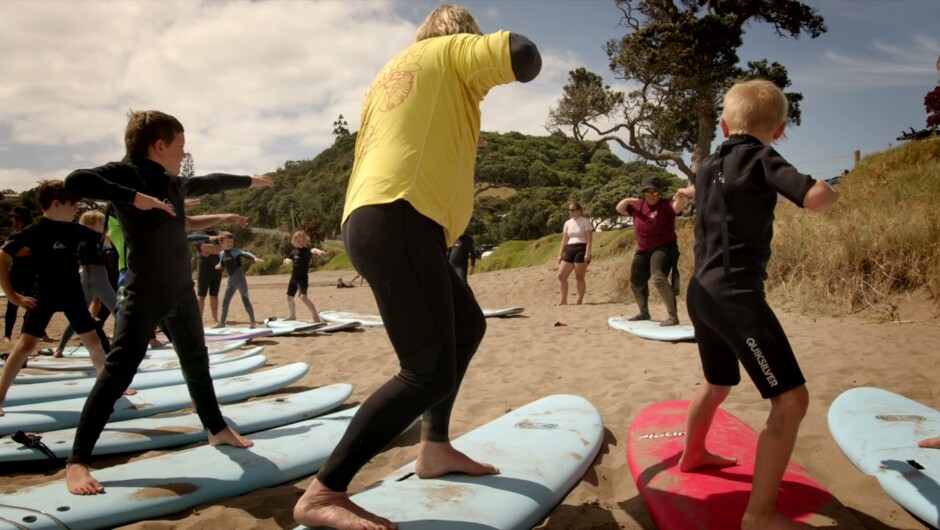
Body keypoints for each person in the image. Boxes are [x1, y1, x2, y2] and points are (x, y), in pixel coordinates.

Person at [292, 5, 541, 529]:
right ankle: (324, 493)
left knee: (467, 326)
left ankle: (435, 447)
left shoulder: (395, 74)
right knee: (426, 370)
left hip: (390, 220)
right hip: (399, 217)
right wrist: (481, 55)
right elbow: (523, 55)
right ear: (461, 36)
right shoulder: (448, 52)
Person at [62, 109, 274, 495]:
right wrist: (134, 198)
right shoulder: (129, 173)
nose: (182, 153)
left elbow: (205, 182)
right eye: (179, 146)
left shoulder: (173, 183)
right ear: (158, 146)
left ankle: (215, 428)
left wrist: (247, 180)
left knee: (197, 361)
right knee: (118, 372)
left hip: (180, 290)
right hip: (144, 293)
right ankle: (77, 461)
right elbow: (76, 180)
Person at [678, 79, 839, 530]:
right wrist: (835, 190)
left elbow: (696, 193)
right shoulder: (763, 156)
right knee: (791, 401)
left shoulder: (709, 165)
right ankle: (761, 514)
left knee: (716, 383)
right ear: (781, 130)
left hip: (700, 293)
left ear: (725, 125)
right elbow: (815, 197)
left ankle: (692, 455)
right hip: (735, 295)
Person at [0, 180, 109, 415]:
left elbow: (105, 238)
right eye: (74, 205)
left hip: (73, 294)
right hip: (44, 295)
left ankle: (107, 391)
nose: (77, 209)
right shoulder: (34, 231)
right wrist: (12, 295)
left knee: (93, 342)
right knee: (25, 346)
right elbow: (2, 256)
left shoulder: (74, 230)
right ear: (57, 203)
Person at [615, 176, 692, 326]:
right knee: (636, 281)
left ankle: (672, 316)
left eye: (655, 192)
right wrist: (626, 201)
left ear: (660, 193)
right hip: (643, 249)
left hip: (665, 247)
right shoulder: (638, 206)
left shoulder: (665, 205)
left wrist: (681, 197)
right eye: (647, 193)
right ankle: (644, 313)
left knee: (658, 278)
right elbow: (620, 209)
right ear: (643, 193)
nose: (651, 196)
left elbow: (677, 207)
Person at [53, 209, 119, 357]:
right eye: (102, 224)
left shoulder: (77, 240)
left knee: (78, 315)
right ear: (92, 225)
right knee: (119, 312)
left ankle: (60, 349)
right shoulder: (97, 240)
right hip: (99, 279)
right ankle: (121, 343)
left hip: (84, 278)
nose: (105, 227)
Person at [3, 206, 39, 348]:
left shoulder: (33, 233)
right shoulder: (14, 235)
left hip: (31, 273)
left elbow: (35, 251)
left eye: (14, 217)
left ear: (20, 218)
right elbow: (6, 251)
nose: (11, 219)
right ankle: (7, 334)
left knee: (32, 304)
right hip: (16, 273)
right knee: (12, 305)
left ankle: (27, 332)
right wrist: (17, 252)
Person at [214, 231, 263, 328]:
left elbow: (245, 253)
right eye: (227, 242)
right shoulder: (221, 254)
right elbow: (222, 262)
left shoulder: (235, 251)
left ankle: (253, 323)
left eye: (231, 242)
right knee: (225, 301)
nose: (230, 244)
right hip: (231, 282)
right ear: (221, 243)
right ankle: (222, 323)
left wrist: (254, 258)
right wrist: (219, 265)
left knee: (245, 300)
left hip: (240, 281)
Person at [282, 230, 324, 322]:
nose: (301, 243)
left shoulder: (307, 251)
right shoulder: (293, 252)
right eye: (298, 241)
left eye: (303, 241)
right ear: (294, 242)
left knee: (303, 297)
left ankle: (315, 317)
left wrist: (318, 251)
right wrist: (286, 261)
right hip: (294, 278)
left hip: (302, 278)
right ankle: (292, 315)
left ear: (306, 241)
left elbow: (314, 250)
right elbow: (286, 259)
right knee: (289, 297)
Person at [556, 202, 593, 305]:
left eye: (572, 210)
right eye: (569, 210)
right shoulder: (567, 223)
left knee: (579, 277)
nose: (570, 212)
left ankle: (579, 299)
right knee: (561, 276)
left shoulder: (585, 221)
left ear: (578, 210)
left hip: (581, 248)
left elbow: (589, 239)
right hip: (569, 249)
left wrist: (588, 253)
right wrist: (560, 254)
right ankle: (563, 300)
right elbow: (564, 240)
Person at [195, 225, 223, 323]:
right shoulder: (199, 234)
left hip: (217, 267)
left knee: (214, 294)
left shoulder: (219, 234)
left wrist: (211, 250)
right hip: (204, 268)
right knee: (202, 295)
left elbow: (224, 248)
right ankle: (199, 319)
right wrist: (216, 249)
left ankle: (215, 318)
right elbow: (204, 247)